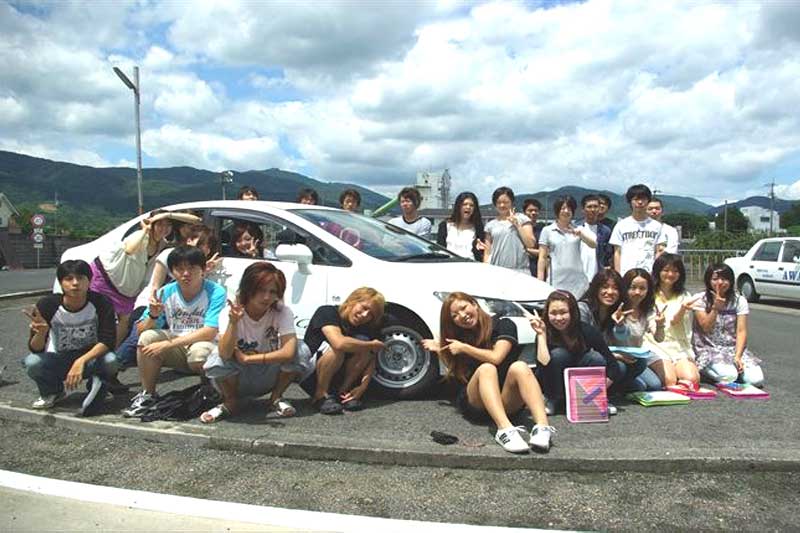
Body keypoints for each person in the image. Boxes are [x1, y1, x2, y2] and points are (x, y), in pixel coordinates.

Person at [422, 292, 555, 453]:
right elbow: (458, 375)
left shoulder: (503, 324)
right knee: (486, 369)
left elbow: (496, 357)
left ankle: (542, 427)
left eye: (464, 308)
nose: (462, 316)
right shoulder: (458, 337)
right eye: (454, 316)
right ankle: (505, 430)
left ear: (475, 304)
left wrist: (464, 348)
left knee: (520, 366)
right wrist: (442, 351)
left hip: (506, 400)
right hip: (476, 405)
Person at [200, 263, 314, 423]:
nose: (267, 297)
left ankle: (275, 398)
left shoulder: (283, 312)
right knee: (216, 357)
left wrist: (249, 359)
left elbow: (289, 351)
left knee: (300, 349)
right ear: (249, 289)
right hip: (237, 377)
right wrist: (233, 323)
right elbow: (225, 353)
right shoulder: (229, 312)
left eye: (272, 292)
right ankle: (230, 401)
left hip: (267, 373)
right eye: (261, 290)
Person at [123, 246, 226, 417]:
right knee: (147, 338)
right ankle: (148, 394)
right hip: (177, 345)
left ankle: (212, 390)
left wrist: (166, 344)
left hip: (204, 344)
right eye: (179, 268)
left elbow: (210, 331)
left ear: (203, 269)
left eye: (192, 268)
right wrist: (153, 316)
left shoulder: (215, 291)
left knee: (200, 353)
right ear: (171, 272)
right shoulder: (165, 292)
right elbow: (140, 330)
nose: (186, 273)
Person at [22, 260, 119, 415]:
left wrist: (80, 361)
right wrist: (41, 332)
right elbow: (35, 348)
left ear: (89, 281)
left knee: (111, 360)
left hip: (91, 358)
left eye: (80, 278)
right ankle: (52, 391)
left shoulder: (101, 302)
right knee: (32, 362)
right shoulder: (47, 305)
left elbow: (108, 341)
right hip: (61, 357)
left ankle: (97, 388)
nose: (75, 283)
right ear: (61, 283)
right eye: (68, 279)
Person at [531, 291, 629, 416]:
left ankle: (596, 400)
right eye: (553, 313)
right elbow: (543, 366)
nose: (558, 318)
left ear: (572, 312)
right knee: (559, 355)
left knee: (596, 358)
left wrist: (598, 390)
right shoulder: (545, 332)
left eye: (563, 312)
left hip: (583, 386)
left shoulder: (587, 330)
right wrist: (541, 334)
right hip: (554, 382)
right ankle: (552, 400)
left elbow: (612, 365)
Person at [89, 210, 172, 348]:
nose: (164, 229)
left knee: (124, 319)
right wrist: (145, 229)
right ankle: (92, 350)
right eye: (160, 224)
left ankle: (112, 351)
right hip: (106, 278)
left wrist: (170, 215)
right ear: (151, 224)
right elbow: (129, 249)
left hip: (127, 287)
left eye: (168, 225)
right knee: (99, 315)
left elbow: (194, 220)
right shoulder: (140, 235)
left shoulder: (162, 244)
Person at [300, 288, 386, 414]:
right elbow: (339, 343)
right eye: (363, 308)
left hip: (340, 376)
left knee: (365, 349)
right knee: (339, 349)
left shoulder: (367, 326)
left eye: (371, 314)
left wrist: (362, 387)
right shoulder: (326, 312)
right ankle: (320, 396)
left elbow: (371, 357)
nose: (365, 315)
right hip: (312, 374)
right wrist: (371, 344)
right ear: (352, 301)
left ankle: (342, 395)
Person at [578, 269, 649, 397]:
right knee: (619, 367)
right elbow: (582, 344)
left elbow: (622, 341)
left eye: (615, 288)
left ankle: (613, 389)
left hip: (608, 356)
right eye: (605, 287)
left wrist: (620, 324)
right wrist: (614, 356)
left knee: (640, 362)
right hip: (586, 357)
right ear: (595, 288)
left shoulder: (618, 310)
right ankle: (598, 395)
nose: (610, 292)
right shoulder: (583, 309)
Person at [691, 264, 764, 386]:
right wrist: (715, 308)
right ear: (708, 281)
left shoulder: (739, 300)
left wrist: (738, 356)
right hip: (708, 348)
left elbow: (741, 331)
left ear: (730, 281)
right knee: (729, 376)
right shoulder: (700, 299)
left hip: (731, 349)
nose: (720, 282)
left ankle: (732, 368)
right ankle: (703, 368)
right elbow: (706, 327)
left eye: (724, 279)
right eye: (715, 279)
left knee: (756, 380)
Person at [644, 254, 700, 387]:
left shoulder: (685, 295)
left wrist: (682, 309)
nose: (670, 274)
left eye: (675, 271)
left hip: (679, 346)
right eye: (666, 270)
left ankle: (677, 370)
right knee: (669, 380)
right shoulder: (649, 294)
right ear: (658, 271)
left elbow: (675, 322)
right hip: (655, 344)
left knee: (692, 379)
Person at [610, 268, 666, 391]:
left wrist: (660, 324)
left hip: (635, 358)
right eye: (632, 287)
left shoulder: (647, 310)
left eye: (642, 288)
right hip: (617, 357)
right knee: (640, 387)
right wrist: (619, 324)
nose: (637, 292)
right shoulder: (617, 308)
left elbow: (659, 338)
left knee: (655, 385)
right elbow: (620, 337)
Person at [537, 195, 596, 297]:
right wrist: (540, 281)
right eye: (563, 208)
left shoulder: (579, 229)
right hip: (556, 279)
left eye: (569, 208)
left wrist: (580, 234)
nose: (566, 211)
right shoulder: (547, 230)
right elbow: (542, 258)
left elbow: (593, 244)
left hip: (577, 280)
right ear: (557, 210)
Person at [609, 184, 667, 275]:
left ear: (648, 201)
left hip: (649, 274)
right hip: (626, 273)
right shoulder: (621, 225)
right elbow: (617, 253)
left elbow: (659, 251)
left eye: (643, 199)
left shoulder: (657, 226)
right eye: (636, 199)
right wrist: (618, 275)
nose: (640, 202)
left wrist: (655, 273)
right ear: (630, 202)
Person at [482, 187, 536, 274]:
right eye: (499, 202)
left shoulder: (522, 218)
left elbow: (531, 243)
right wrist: (486, 269)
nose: (502, 205)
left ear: (512, 202)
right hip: (496, 270)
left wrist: (517, 225)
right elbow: (487, 252)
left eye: (506, 202)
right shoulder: (490, 225)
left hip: (519, 271)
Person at [436, 191, 486, 261]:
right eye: (464, 204)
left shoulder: (478, 228)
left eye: (471, 205)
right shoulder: (445, 226)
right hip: (448, 265)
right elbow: (440, 249)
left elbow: (481, 253)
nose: (468, 207)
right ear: (458, 206)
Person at [578, 194, 613, 278]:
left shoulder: (605, 231)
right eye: (589, 207)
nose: (593, 209)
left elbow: (609, 254)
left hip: (597, 276)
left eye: (595, 207)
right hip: (577, 276)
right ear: (583, 209)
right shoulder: (575, 228)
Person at [522, 198, 544, 276]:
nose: (533, 213)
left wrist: (527, 250)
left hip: (539, 270)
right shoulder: (519, 229)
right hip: (522, 269)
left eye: (536, 210)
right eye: (530, 210)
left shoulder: (543, 230)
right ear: (524, 212)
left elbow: (547, 252)